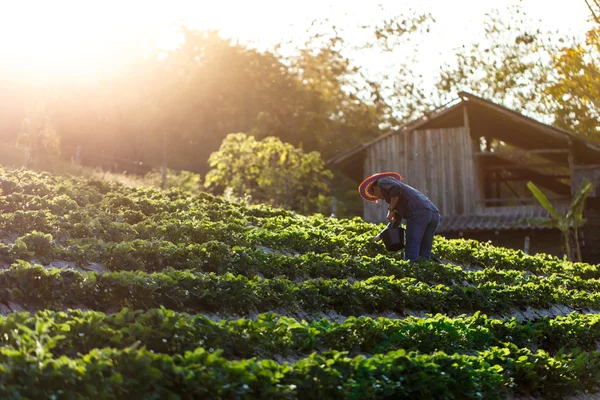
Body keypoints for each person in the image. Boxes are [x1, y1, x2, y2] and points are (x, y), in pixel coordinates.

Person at [358, 171, 440, 262]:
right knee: (424, 251)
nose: (380, 198)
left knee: (412, 248)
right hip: (434, 214)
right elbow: (395, 222)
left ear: (375, 187)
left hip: (418, 213)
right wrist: (380, 237)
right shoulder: (397, 199)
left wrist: (391, 209)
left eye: (375, 195)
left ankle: (411, 272)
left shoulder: (382, 182)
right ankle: (424, 272)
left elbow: (396, 188)